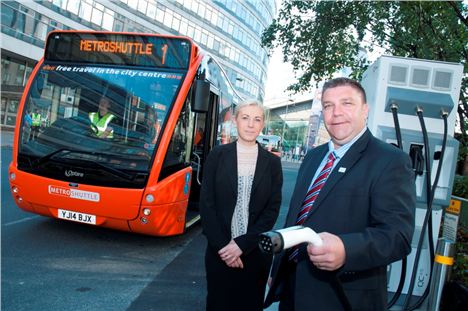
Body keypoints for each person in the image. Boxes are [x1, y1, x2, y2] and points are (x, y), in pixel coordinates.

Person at [264, 77, 416, 310]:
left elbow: (398, 236)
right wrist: (278, 270)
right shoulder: (314, 157)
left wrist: (346, 250)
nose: (336, 113)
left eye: (347, 103)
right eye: (328, 105)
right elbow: (296, 217)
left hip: (342, 296)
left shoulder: (390, 161)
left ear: (365, 110)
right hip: (293, 288)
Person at [200, 99, 283, 311]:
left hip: (254, 255)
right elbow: (207, 205)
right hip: (220, 252)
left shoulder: (272, 163)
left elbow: (271, 210)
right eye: (245, 118)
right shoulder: (217, 155)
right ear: (235, 121)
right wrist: (225, 248)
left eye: (257, 119)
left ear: (262, 125)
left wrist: (242, 245)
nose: (250, 124)